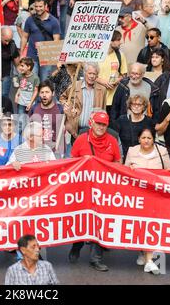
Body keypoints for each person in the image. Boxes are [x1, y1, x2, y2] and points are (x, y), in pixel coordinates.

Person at [68, 111, 121, 271]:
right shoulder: (81, 139)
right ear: (92, 123)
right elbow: (72, 162)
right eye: (98, 123)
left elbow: (118, 162)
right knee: (82, 220)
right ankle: (76, 246)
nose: (101, 127)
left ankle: (95, 258)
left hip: (103, 191)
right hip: (83, 189)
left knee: (100, 221)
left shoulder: (112, 141)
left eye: (104, 124)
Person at [124, 128, 170, 274]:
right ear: (139, 139)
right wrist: (129, 170)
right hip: (138, 197)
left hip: (157, 197)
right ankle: (144, 254)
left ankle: (152, 261)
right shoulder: (132, 151)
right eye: (143, 137)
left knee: (155, 227)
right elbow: (123, 172)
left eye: (149, 138)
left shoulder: (162, 151)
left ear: (153, 139)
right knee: (141, 226)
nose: (146, 140)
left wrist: (168, 173)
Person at [60, 62, 106, 140]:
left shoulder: (102, 90)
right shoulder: (74, 86)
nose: (92, 76)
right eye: (89, 73)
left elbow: (103, 110)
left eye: (94, 74)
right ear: (84, 73)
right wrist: (67, 106)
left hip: (94, 130)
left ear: (97, 75)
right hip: (77, 129)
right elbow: (63, 98)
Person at [20, 0, 61, 82]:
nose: (38, 9)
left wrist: (47, 52)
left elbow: (56, 41)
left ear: (46, 6)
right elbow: (24, 37)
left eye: (40, 6)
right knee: (31, 82)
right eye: (36, 6)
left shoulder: (54, 21)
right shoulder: (30, 20)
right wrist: (21, 54)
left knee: (44, 82)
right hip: (31, 56)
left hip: (46, 57)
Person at [113, 95, 154, 159]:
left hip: (143, 158)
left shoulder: (149, 122)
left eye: (139, 104)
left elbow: (151, 141)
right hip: (125, 158)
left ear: (143, 107)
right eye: (134, 104)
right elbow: (114, 140)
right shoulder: (122, 120)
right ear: (130, 106)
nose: (136, 106)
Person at [96, 30, 128, 114]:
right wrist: (102, 81)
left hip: (114, 99)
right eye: (118, 40)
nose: (121, 42)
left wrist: (118, 80)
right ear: (110, 41)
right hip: (98, 98)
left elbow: (124, 74)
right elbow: (88, 74)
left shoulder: (120, 55)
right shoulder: (96, 55)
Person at [30, 80, 64, 153]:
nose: (44, 95)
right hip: (38, 150)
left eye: (47, 92)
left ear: (53, 93)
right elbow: (29, 129)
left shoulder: (60, 109)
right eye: (42, 92)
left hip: (56, 150)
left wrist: (70, 114)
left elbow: (70, 128)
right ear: (39, 94)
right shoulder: (34, 108)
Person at [14, 57, 40, 131]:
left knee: (30, 120)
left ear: (28, 67)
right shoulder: (20, 76)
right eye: (20, 65)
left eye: (22, 66)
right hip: (21, 102)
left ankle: (28, 135)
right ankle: (20, 137)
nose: (20, 67)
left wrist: (31, 103)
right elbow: (20, 87)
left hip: (30, 103)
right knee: (21, 120)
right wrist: (16, 95)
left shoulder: (35, 78)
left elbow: (35, 91)